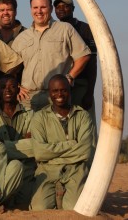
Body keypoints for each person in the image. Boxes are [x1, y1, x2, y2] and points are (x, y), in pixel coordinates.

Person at [11, 0, 91, 111]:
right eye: (35, 8)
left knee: (58, 129)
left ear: (51, 9)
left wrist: (70, 77)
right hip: (28, 99)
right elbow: (10, 68)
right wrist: (17, 86)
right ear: (31, 10)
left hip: (56, 96)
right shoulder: (21, 38)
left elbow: (84, 55)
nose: (39, 11)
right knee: (28, 130)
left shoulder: (65, 29)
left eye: (43, 7)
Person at [29, 74, 95, 211]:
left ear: (70, 91)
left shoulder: (82, 116)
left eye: (63, 90)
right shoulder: (39, 117)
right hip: (48, 172)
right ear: (49, 93)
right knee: (39, 209)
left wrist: (52, 154)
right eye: (55, 91)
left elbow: (85, 151)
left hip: (75, 170)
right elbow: (40, 153)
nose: (59, 94)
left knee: (73, 209)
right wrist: (71, 144)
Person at [0, 75, 36, 209]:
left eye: (12, 87)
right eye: (3, 87)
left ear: (18, 89)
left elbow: (34, 146)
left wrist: (2, 145)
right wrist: (22, 145)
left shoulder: (30, 114)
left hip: (26, 170)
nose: (7, 90)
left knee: (24, 205)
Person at [54, 0, 97, 142]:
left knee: (85, 125)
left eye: (65, 6)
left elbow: (91, 62)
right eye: (58, 7)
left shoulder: (85, 29)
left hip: (80, 84)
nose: (61, 10)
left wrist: (89, 92)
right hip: (59, 87)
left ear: (72, 9)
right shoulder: (54, 29)